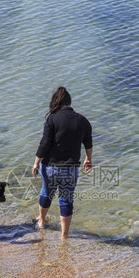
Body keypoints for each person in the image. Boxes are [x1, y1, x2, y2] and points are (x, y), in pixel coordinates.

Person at [32, 87, 93, 239]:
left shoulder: (51, 119)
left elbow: (44, 144)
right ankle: (64, 235)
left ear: (56, 102)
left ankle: (41, 222)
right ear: (69, 102)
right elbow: (88, 143)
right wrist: (88, 159)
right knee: (66, 199)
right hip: (70, 168)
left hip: (50, 167)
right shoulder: (83, 121)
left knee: (46, 193)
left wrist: (36, 163)